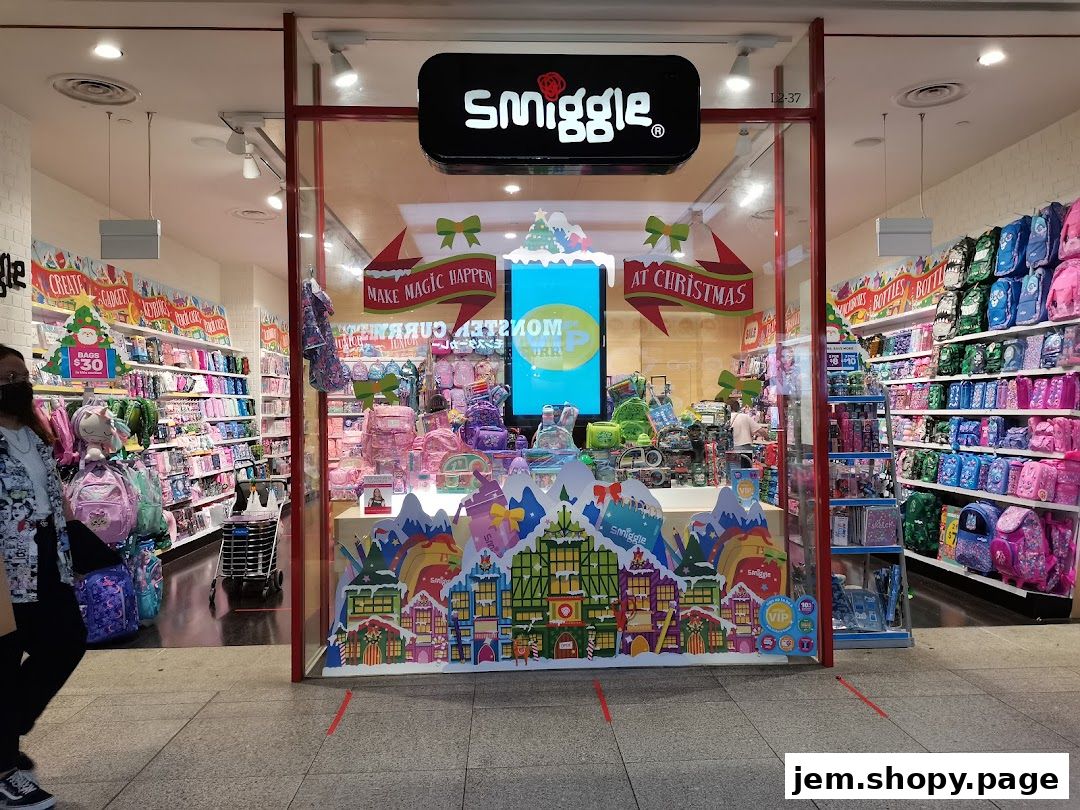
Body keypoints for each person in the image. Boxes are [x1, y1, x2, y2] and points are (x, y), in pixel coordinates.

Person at [0, 345, 86, 810]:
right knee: (4, 661)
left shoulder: (36, 438)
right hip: (5, 571)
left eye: (22, 376)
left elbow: (53, 499)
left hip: (48, 558)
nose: (20, 386)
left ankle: (9, 727)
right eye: (9, 379)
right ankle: (4, 770)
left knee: (68, 640)